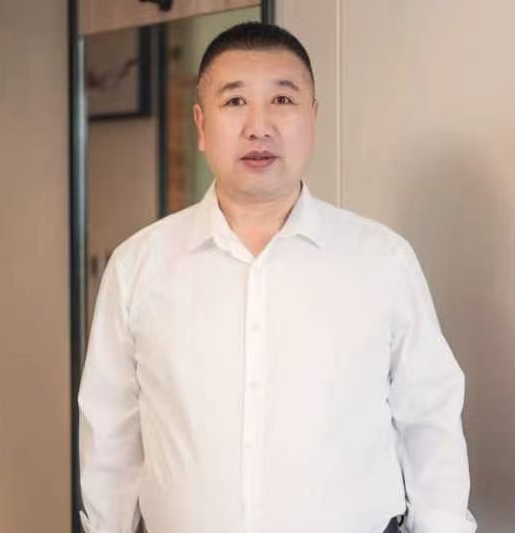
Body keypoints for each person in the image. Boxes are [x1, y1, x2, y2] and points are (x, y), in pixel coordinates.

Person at [78, 22, 476, 533]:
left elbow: (430, 421)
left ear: (312, 118)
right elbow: (110, 436)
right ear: (201, 124)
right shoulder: (138, 266)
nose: (258, 126)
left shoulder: (382, 261)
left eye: (283, 100)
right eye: (235, 101)